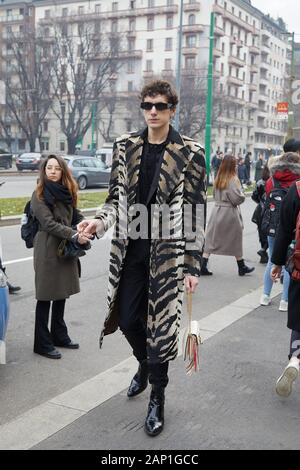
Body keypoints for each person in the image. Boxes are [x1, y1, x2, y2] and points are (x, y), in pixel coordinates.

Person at [77, 80, 206, 437]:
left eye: (160, 106)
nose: (153, 111)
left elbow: (195, 211)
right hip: (130, 250)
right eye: (147, 105)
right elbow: (114, 199)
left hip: (167, 256)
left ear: (172, 110)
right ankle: (144, 365)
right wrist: (96, 223)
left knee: (160, 329)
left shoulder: (191, 153)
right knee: (130, 320)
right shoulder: (125, 147)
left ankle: (157, 399)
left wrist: (192, 265)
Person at [31, 155, 90, 360]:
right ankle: (41, 343)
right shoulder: (38, 194)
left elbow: (76, 215)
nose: (53, 171)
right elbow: (48, 224)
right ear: (44, 170)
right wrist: (75, 235)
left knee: (61, 293)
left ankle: (59, 335)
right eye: (49, 168)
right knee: (45, 295)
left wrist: (83, 224)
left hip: (64, 248)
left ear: (63, 171)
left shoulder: (67, 191)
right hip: (47, 247)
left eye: (57, 168)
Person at [200, 154, 254, 276]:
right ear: (232, 165)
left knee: (211, 240)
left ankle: (203, 265)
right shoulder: (233, 179)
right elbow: (237, 199)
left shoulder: (218, 177)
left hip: (217, 211)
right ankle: (241, 266)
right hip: (229, 213)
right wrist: (242, 194)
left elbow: (214, 195)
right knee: (236, 239)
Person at [260, 152, 300, 311]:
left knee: (272, 259)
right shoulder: (297, 181)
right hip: (292, 228)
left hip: (272, 224)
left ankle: (265, 295)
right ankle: (285, 301)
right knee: (292, 262)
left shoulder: (272, 179)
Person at [271, 182, 300, 397]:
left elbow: (285, 228)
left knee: (299, 321)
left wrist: (278, 262)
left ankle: (295, 359)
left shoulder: (297, 189)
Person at [251, 165, 270, 264]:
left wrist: (260, 202)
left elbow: (254, 196)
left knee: (262, 232)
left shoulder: (260, 182)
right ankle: (264, 251)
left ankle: (263, 252)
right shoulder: (273, 182)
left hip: (260, 210)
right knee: (270, 231)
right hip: (269, 210)